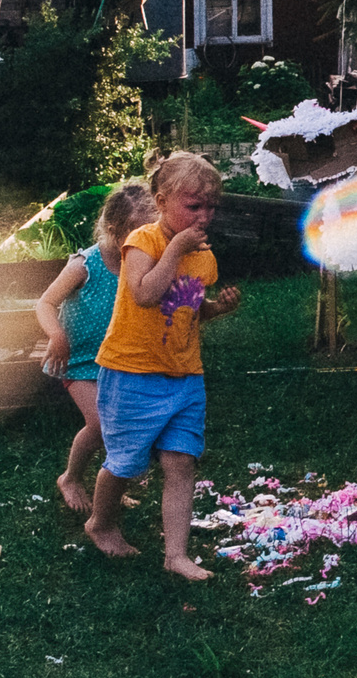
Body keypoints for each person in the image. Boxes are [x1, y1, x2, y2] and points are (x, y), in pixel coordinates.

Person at [87, 152, 243, 579]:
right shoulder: (143, 242)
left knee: (181, 463)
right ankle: (101, 522)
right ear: (161, 200)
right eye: (194, 206)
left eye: (211, 206)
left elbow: (186, 309)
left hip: (184, 375)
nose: (204, 216)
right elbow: (144, 294)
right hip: (132, 372)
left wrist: (216, 308)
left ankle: (176, 555)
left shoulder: (203, 256)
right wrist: (175, 249)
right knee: (124, 463)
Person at [36, 182, 157, 512]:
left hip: (117, 362)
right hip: (77, 361)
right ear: (112, 229)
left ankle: (112, 489)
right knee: (102, 425)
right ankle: (71, 478)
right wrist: (56, 336)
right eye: (135, 233)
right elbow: (45, 303)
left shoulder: (142, 265)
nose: (142, 242)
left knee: (123, 428)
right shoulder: (84, 264)